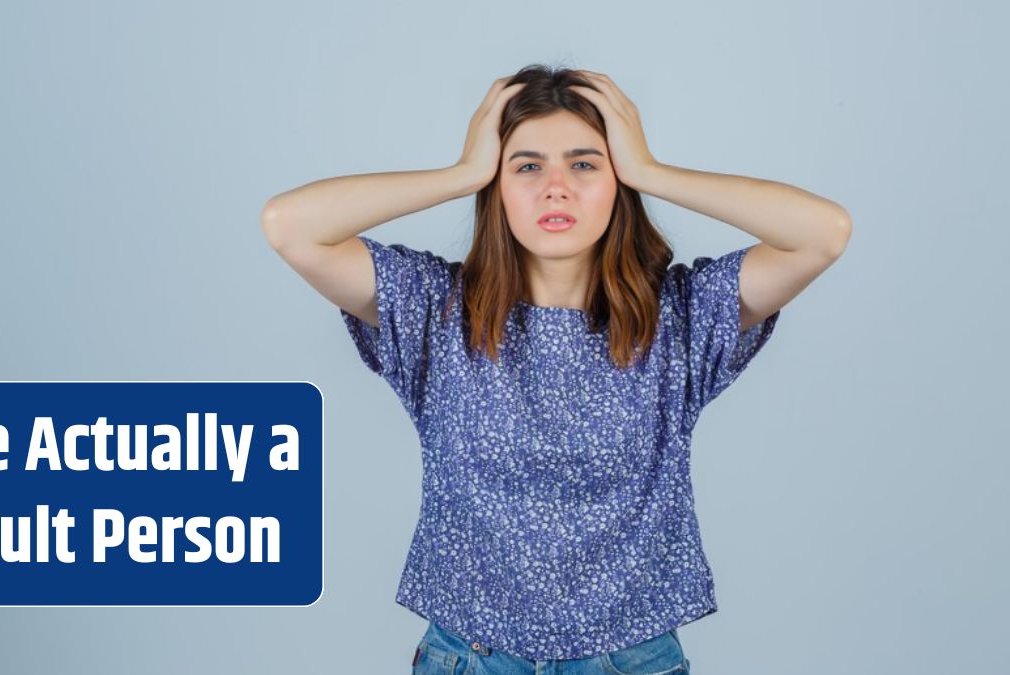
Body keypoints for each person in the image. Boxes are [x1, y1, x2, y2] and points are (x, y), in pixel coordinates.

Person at [261, 64, 851, 674]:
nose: (556, 187)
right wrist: (461, 174)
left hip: (629, 659)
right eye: (527, 166)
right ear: (498, 184)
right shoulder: (435, 311)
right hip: (470, 658)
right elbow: (290, 226)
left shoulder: (679, 320)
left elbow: (823, 235)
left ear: (616, 179)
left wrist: (649, 170)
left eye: (585, 163)